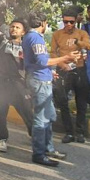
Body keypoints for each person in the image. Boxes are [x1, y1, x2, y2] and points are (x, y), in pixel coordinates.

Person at [23, 12, 78, 167]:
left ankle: (48, 149)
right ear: (43, 23)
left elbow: (36, 62)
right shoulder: (35, 38)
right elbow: (42, 61)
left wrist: (50, 72)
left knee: (48, 116)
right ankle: (39, 153)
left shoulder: (29, 37)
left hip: (41, 78)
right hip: (40, 81)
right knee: (41, 119)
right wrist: (65, 58)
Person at [0, 18, 33, 153]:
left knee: (27, 110)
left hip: (18, 82)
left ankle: (35, 136)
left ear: (23, 32)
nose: (14, 29)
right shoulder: (3, 41)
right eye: (12, 26)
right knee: (0, 112)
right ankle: (2, 139)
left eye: (18, 27)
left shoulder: (27, 47)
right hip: (0, 81)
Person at [50, 10, 90, 143]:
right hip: (63, 70)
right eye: (65, 22)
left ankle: (80, 132)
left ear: (76, 21)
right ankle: (69, 132)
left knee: (81, 102)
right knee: (62, 101)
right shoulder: (57, 34)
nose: (68, 24)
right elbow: (52, 52)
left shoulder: (81, 33)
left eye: (71, 22)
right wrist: (62, 64)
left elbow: (89, 46)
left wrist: (78, 42)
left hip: (79, 69)